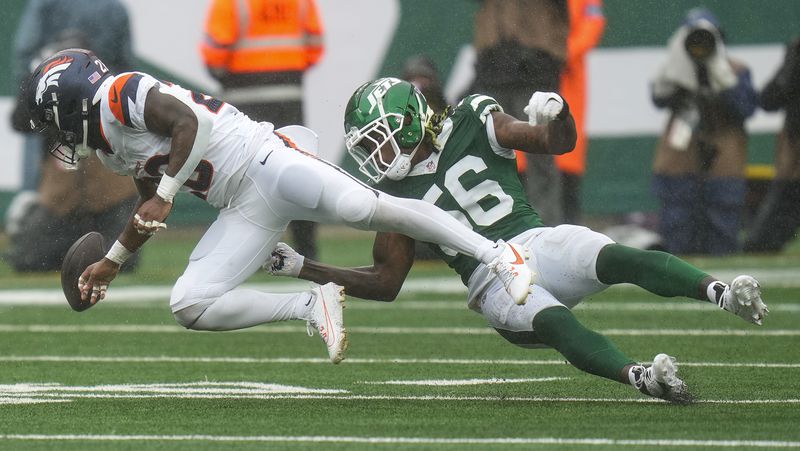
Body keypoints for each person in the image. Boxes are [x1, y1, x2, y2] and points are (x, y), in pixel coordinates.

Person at [267, 77, 768, 403]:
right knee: (548, 314)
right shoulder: (389, 194)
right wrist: (304, 267)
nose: (378, 154)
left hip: (534, 239)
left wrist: (559, 115)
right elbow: (386, 280)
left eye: (383, 137)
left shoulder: (471, 118)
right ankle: (641, 378)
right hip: (489, 279)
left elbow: (555, 142)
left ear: (415, 119)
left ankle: (723, 294)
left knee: (611, 254)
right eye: (368, 146)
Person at [23, 49, 534, 365]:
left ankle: (495, 254)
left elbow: (191, 126)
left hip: (265, 159)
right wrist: (112, 259)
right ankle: (312, 303)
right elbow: (149, 207)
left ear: (70, 106)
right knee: (189, 304)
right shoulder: (111, 148)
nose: (59, 137)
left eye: (55, 123)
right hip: (242, 205)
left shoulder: (122, 93)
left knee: (367, 208)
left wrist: (166, 191)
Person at [7, 0, 137, 271]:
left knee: (117, 251)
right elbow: (19, 121)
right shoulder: (113, 13)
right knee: (32, 259)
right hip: (64, 186)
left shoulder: (107, 90)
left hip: (104, 181)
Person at [200, 0, 322, 260]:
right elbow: (315, 45)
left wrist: (232, 75)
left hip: (244, 98)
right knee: (298, 169)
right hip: (289, 96)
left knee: (243, 177)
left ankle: (245, 254)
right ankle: (307, 248)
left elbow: (214, 52)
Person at [650, 8, 757, 255]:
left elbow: (746, 107)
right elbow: (658, 98)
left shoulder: (736, 70)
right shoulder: (674, 69)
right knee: (678, 231)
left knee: (722, 230)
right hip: (679, 161)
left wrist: (723, 78)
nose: (700, 46)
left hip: (724, 162)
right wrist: (677, 72)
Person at [470, 0, 569, 225]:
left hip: (535, 63)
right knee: (485, 155)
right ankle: (490, 227)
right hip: (494, 63)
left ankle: (547, 231)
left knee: (542, 154)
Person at [743, 37, 800, 252]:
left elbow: (771, 98)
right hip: (793, 153)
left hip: (792, 151)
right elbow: (770, 99)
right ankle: (761, 244)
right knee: (786, 195)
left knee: (786, 196)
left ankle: (760, 244)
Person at [554, 0, 606, 224]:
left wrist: (557, 54)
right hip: (527, 78)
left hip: (566, 82)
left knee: (566, 174)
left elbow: (591, 26)